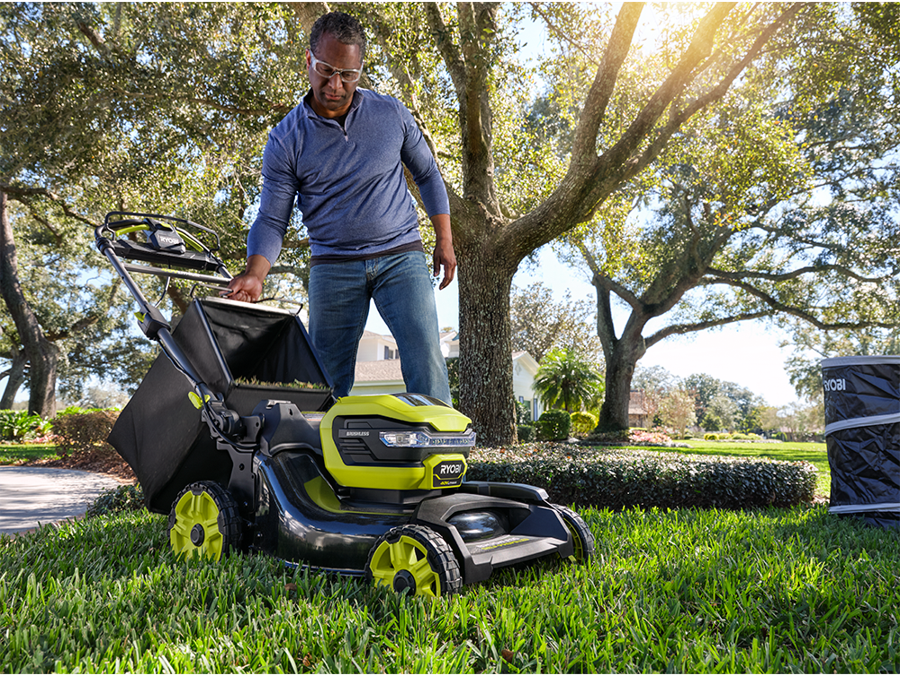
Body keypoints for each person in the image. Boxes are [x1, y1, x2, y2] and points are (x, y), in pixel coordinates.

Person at [227, 11, 455, 403]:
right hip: (333, 266)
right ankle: (321, 465)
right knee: (325, 385)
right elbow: (272, 218)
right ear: (308, 60)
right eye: (326, 70)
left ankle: (442, 461)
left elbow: (429, 175)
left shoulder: (391, 114)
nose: (335, 85)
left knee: (427, 363)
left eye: (348, 75)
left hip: (400, 256)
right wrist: (256, 273)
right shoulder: (286, 140)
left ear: (360, 70)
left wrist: (444, 240)